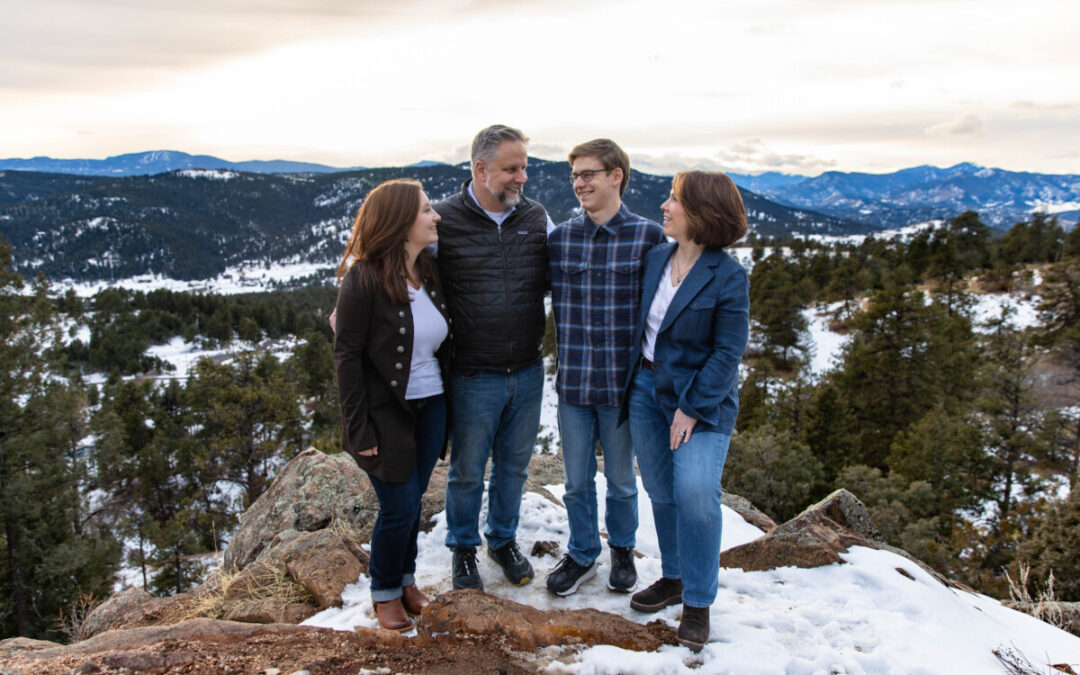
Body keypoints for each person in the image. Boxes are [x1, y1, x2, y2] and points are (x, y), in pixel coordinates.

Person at [623, 171, 749, 652]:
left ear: (700, 213)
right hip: (645, 389)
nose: (664, 206)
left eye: (674, 200)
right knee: (660, 488)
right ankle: (673, 576)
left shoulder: (728, 276)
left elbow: (727, 352)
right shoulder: (658, 256)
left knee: (695, 492)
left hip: (702, 399)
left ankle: (697, 602)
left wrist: (691, 408)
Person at [545, 139, 664, 596]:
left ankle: (622, 550)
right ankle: (581, 553)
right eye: (575, 175)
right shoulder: (560, 240)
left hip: (623, 388)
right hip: (573, 384)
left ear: (617, 176)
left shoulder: (649, 237)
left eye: (589, 173)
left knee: (620, 482)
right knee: (575, 482)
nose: (580, 183)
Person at [333, 178, 452, 632]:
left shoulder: (430, 273)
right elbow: (347, 357)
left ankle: (405, 581)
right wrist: (357, 429)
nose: (435, 216)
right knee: (398, 508)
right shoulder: (363, 279)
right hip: (386, 415)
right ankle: (383, 591)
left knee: (413, 502)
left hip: (433, 406)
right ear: (402, 223)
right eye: (426, 210)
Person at [436, 125, 551, 590]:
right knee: (467, 472)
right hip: (472, 374)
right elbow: (392, 263)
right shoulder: (441, 222)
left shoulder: (537, 217)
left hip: (527, 369)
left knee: (514, 467)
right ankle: (462, 548)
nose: (521, 177)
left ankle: (501, 540)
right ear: (481, 170)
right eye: (511, 169)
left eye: (524, 167)